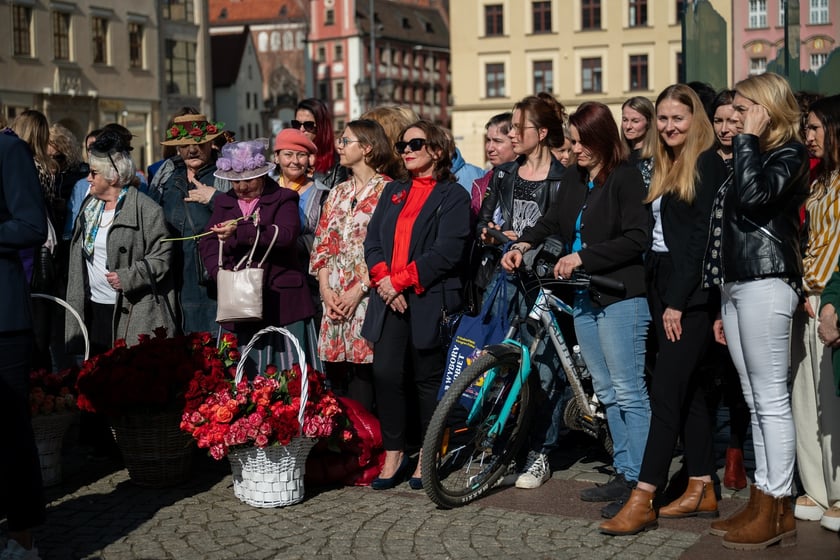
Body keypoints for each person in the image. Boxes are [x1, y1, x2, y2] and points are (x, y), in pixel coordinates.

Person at [501, 101, 651, 507]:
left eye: (581, 142)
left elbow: (637, 238)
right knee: (605, 388)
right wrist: (523, 243)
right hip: (585, 295)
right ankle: (624, 472)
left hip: (621, 294)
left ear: (602, 139)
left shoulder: (625, 178)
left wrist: (584, 256)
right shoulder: (575, 178)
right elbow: (552, 220)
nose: (574, 150)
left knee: (628, 390)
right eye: (572, 142)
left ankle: (641, 483)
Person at [600, 84, 719, 533]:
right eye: (664, 119)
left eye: (678, 119)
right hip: (663, 283)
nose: (669, 126)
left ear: (696, 121)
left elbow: (699, 243)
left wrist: (676, 302)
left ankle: (644, 496)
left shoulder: (705, 163)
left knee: (666, 394)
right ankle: (702, 485)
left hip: (687, 293)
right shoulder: (668, 162)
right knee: (686, 394)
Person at [703, 72, 810, 550]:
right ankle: (764, 501)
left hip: (768, 281)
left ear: (767, 109)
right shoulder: (760, 154)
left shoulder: (788, 154)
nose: (736, 119)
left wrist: (746, 141)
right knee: (753, 397)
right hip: (740, 282)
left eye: (744, 109)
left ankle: (776, 503)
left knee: (770, 400)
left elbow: (754, 198)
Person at [362, 120, 471, 490]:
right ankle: (395, 453)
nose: (406, 151)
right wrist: (384, 282)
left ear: (437, 151)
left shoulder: (452, 196)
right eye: (402, 145)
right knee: (386, 375)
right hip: (389, 299)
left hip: (428, 299)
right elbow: (372, 241)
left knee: (428, 381)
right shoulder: (393, 190)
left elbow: (448, 252)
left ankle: (429, 454)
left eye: (415, 144)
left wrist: (400, 281)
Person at [476, 93, 568, 489]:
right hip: (508, 281)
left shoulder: (564, 178)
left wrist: (530, 244)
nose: (512, 134)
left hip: (545, 282)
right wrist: (501, 236)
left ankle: (540, 453)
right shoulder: (504, 173)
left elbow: (565, 233)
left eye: (518, 127)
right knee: (502, 367)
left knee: (545, 370)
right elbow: (484, 222)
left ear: (542, 133)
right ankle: (504, 446)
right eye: (510, 127)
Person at [199, 139, 319, 373]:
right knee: (244, 374)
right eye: (235, 182)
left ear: (263, 176)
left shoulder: (285, 198)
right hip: (239, 300)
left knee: (289, 375)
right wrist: (219, 273)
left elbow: (286, 235)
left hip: (282, 300)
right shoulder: (225, 201)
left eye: (248, 180)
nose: (242, 188)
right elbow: (208, 241)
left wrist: (241, 231)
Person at [65, 129, 176, 354]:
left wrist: (129, 276)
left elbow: (162, 257)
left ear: (112, 177)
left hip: (132, 311)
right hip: (94, 310)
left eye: (94, 173)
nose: (88, 178)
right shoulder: (89, 208)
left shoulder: (147, 210)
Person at [309, 119, 392, 412]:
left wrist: (358, 290)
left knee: (365, 380)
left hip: (366, 300)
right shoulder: (338, 192)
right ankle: (346, 449)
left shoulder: (388, 191)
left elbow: (390, 250)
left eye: (346, 141)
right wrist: (324, 291)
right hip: (333, 299)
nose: (339, 146)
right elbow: (321, 245)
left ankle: (371, 448)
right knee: (337, 382)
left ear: (367, 148)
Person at [791, 93, 840, 533]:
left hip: (829, 298)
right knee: (805, 400)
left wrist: (829, 300)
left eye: (814, 128)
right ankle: (816, 486)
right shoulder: (820, 181)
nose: (807, 136)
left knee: (831, 403)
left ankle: (839, 491)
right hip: (806, 294)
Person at [0, 126, 48, 560]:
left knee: (11, 430)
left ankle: (22, 536)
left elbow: (31, 225)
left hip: (3, 318)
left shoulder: (8, 148)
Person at [708, 88, 751, 492]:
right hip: (707, 279)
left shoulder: (749, 160)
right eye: (718, 121)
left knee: (739, 375)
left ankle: (736, 452)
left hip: (739, 276)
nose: (724, 128)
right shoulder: (704, 162)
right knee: (711, 372)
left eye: (731, 120)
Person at [149, 113, 229, 334]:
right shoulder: (167, 179)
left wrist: (215, 199)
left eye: (198, 143)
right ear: (177, 148)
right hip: (172, 281)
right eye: (185, 145)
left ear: (210, 143)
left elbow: (244, 216)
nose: (192, 150)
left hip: (211, 285)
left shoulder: (226, 177)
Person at [273, 128, 330, 323]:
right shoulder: (265, 189)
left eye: (301, 155)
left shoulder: (322, 193)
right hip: (271, 277)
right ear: (276, 157)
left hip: (307, 278)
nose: (295, 161)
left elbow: (326, 239)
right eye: (288, 154)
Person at [293, 98, 348, 189]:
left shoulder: (338, 163)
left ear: (321, 126)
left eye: (308, 125)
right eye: (297, 124)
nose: (301, 130)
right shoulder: (286, 159)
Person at [470, 112, 515, 218]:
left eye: (497, 141)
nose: (490, 148)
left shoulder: (531, 180)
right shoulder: (480, 184)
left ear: (516, 141)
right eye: (488, 140)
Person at [621, 96, 656, 189]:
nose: (628, 126)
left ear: (649, 122)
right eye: (625, 120)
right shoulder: (619, 157)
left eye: (635, 121)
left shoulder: (658, 158)